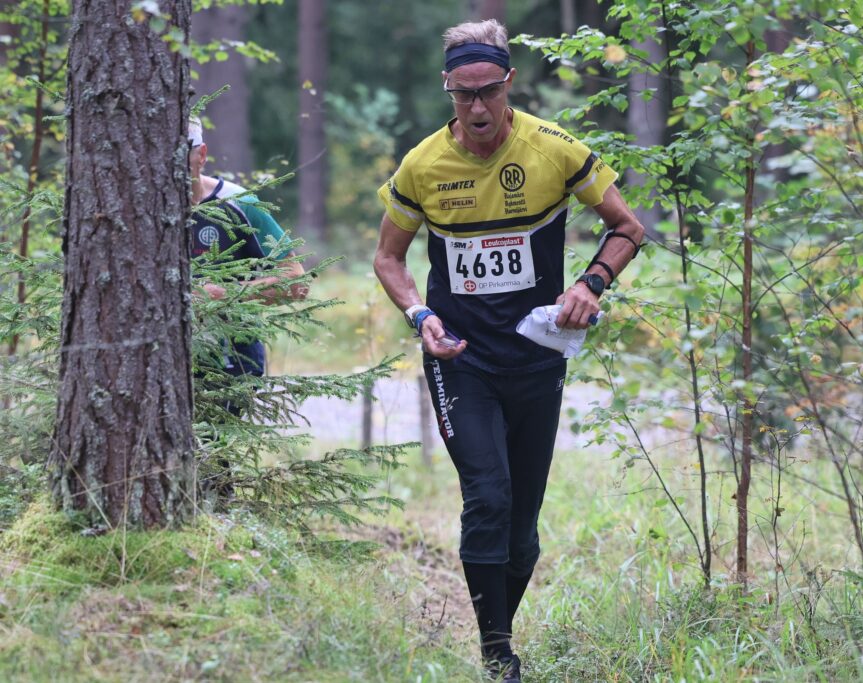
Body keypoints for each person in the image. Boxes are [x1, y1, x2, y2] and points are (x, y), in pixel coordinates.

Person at [373, 19, 644, 682]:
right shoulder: (422, 165)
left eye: (489, 91)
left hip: (536, 358)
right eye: (463, 94)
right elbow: (388, 258)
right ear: (447, 88)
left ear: (509, 83)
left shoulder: (555, 149)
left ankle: (496, 633)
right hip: (460, 358)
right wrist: (419, 314)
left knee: (522, 533)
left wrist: (590, 283)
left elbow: (627, 227)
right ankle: (497, 656)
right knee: (488, 497)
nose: (477, 107)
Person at [188, 116, 307, 493]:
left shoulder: (239, 204)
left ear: (201, 154)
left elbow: (296, 280)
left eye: (181, 155)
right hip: (161, 357)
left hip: (231, 359)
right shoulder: (136, 209)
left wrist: (224, 294)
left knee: (208, 457)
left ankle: (217, 519)